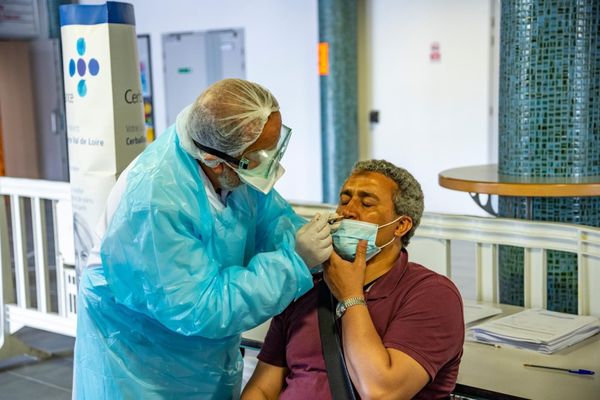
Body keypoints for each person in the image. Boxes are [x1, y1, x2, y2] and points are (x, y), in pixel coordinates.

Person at [73, 79, 335, 399]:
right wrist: (293, 262)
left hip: (196, 343)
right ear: (214, 160)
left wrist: (309, 236)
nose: (271, 166)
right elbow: (201, 308)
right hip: (138, 345)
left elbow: (268, 218)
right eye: (260, 157)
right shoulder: (157, 200)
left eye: (274, 148)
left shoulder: (228, 151)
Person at [242, 160, 465, 400]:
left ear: (400, 225)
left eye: (366, 203)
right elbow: (262, 389)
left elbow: (380, 392)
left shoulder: (432, 295)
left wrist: (350, 295)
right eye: (345, 200)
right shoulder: (307, 285)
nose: (348, 211)